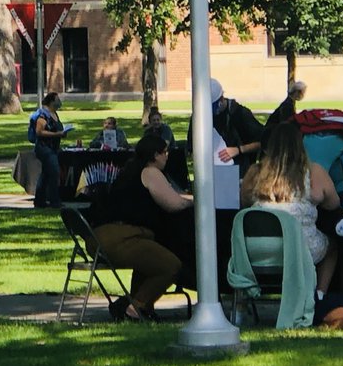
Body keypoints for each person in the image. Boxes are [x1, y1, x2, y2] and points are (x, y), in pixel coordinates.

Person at [90, 135, 192, 321]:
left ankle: (134, 305)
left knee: (149, 262)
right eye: (164, 152)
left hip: (99, 237)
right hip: (122, 238)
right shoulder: (151, 172)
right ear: (154, 155)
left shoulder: (130, 171)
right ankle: (135, 308)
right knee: (171, 266)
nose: (167, 156)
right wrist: (195, 201)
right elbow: (173, 204)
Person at [240, 122, 341, 297]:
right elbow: (334, 204)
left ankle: (240, 307)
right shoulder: (314, 172)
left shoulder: (255, 172)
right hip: (299, 249)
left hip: (257, 250)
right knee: (332, 247)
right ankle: (319, 295)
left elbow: (244, 202)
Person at [191, 78, 264, 177]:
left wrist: (239, 150)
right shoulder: (199, 118)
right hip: (209, 174)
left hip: (239, 174)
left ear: (221, 99)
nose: (210, 113)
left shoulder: (240, 114)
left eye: (213, 107)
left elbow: (263, 142)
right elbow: (192, 148)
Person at [32, 92, 70, 209]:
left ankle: (39, 201)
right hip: (44, 148)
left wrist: (62, 134)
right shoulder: (44, 115)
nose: (60, 101)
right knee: (54, 173)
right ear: (52, 101)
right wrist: (57, 134)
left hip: (53, 148)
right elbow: (39, 132)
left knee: (46, 174)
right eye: (57, 99)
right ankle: (54, 201)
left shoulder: (54, 114)